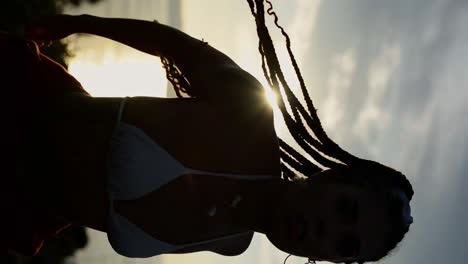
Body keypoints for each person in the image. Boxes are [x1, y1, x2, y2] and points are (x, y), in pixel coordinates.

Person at [1, 1, 413, 263]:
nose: (328, 231)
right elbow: (171, 43)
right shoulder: (245, 113)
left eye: (346, 247)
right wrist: (81, 22)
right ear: (332, 176)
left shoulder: (231, 244)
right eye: (346, 209)